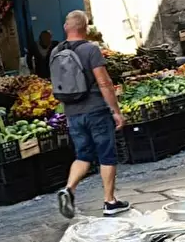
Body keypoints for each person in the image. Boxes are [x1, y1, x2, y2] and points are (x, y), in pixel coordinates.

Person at [52, 11, 130, 219]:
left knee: (83, 155)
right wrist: (116, 111)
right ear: (85, 28)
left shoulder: (55, 51)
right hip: (96, 110)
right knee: (107, 154)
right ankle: (109, 201)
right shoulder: (91, 50)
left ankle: (69, 188)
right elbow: (104, 82)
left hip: (72, 112)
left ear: (66, 28)